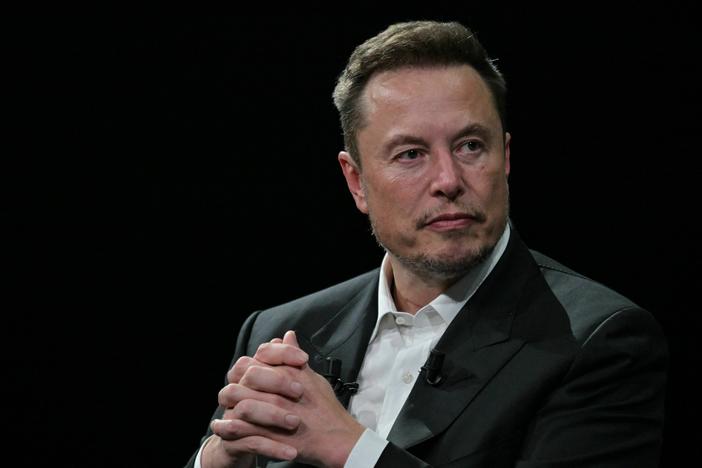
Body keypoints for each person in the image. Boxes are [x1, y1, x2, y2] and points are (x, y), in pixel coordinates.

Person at [185, 21, 667, 468]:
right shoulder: (282, 330)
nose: (448, 180)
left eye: (470, 146)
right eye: (411, 154)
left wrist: (352, 448)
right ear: (356, 182)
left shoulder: (599, 340)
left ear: (505, 158)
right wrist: (220, 457)